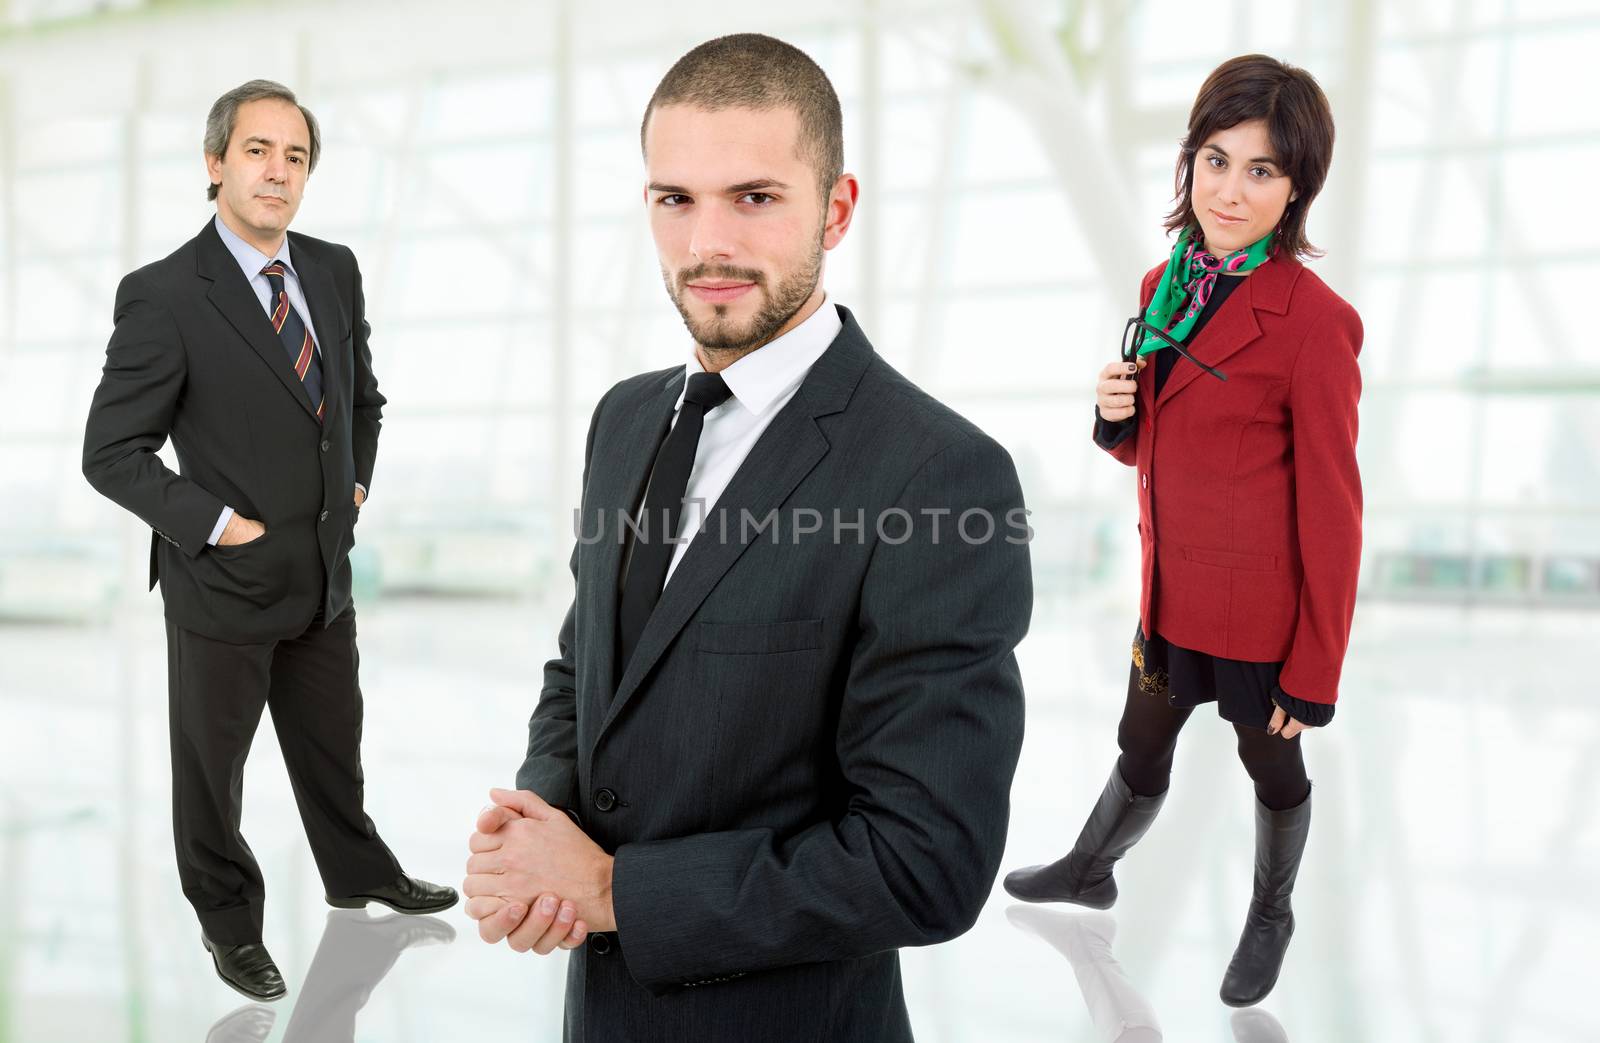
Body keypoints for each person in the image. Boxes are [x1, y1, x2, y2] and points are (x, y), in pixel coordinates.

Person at [460, 33, 1032, 1041]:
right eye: (674, 199)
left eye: (754, 197)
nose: (705, 244)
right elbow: (586, 667)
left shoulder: (938, 472)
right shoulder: (624, 420)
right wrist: (536, 834)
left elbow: (925, 861)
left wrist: (614, 888)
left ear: (836, 209)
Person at [82, 79, 456, 1003]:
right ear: (215, 165)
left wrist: (356, 482)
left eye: (295, 157)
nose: (276, 173)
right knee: (214, 774)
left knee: (335, 743)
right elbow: (110, 452)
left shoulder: (331, 269)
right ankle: (227, 921)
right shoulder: (166, 294)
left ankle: (356, 869)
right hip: (225, 582)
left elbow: (361, 398)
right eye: (257, 151)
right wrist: (218, 524)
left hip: (324, 572)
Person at [1003, 54, 1362, 1009]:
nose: (1229, 190)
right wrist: (1118, 418)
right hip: (1171, 587)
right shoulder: (1168, 282)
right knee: (1141, 738)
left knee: (1268, 756)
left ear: (1296, 190)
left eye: (1261, 170)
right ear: (1187, 162)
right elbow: (1169, 444)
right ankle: (1089, 868)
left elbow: (1334, 507)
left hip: (1260, 607)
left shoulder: (1316, 324)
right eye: (1214, 159)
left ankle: (1272, 912)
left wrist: (1316, 667)